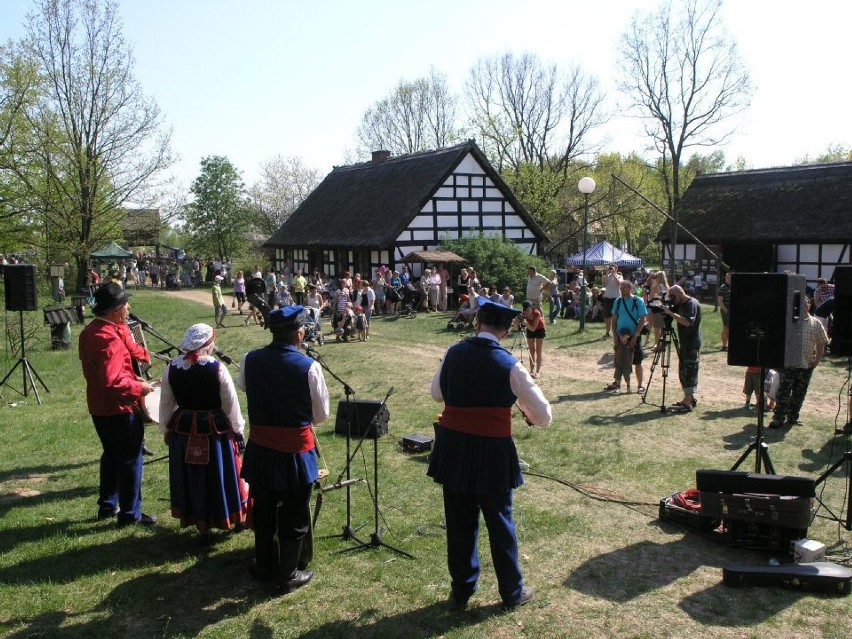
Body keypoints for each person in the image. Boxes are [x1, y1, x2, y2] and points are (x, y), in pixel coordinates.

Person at [428, 298, 551, 611]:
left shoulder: (453, 353)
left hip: (454, 446)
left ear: (478, 323)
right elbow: (543, 415)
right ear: (507, 331)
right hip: (491, 450)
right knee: (500, 521)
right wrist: (525, 411)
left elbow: (436, 394)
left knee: (458, 523)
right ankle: (511, 592)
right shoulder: (510, 364)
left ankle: (461, 592)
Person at [236, 306, 330, 590]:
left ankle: (264, 564)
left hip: (262, 448)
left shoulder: (248, 360)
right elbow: (320, 415)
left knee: (263, 506)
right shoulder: (309, 367)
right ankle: (288, 573)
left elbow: (245, 387)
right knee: (294, 510)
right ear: (299, 334)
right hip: (295, 452)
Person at [78, 283, 157, 527]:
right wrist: (140, 387)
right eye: (125, 304)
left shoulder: (96, 330)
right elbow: (113, 381)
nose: (129, 307)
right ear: (114, 310)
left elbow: (128, 350)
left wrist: (142, 356)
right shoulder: (107, 339)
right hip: (118, 409)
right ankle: (129, 514)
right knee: (131, 460)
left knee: (112, 455)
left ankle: (108, 506)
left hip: (99, 407)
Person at [159, 323, 246, 542]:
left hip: (184, 429)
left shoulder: (172, 368)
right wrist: (238, 430)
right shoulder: (217, 368)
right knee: (222, 472)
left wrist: (166, 428)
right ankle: (235, 517)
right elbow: (230, 404)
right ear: (208, 344)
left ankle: (202, 525)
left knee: (194, 477)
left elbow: (166, 403)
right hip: (214, 430)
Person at [769, 296, 828, 429]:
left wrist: (817, 360)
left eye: (806, 304)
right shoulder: (790, 322)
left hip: (806, 365)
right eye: (801, 305)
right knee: (783, 392)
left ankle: (793, 417)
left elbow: (821, 343)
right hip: (789, 365)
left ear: (810, 305)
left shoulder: (816, 323)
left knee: (799, 393)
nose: (804, 306)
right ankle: (778, 418)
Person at [662, 284, 702, 413]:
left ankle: (688, 402)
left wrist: (670, 313)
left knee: (689, 371)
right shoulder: (680, 303)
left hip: (692, 343)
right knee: (683, 370)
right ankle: (688, 398)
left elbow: (687, 322)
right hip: (685, 342)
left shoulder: (692, 304)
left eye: (673, 297)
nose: (672, 300)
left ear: (679, 294)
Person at [606, 281, 648, 394]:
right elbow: (614, 319)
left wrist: (636, 334)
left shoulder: (637, 301)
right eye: (620, 288)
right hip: (620, 336)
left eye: (622, 288)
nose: (620, 290)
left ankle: (640, 385)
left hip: (634, 335)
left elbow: (643, 319)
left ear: (629, 288)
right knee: (619, 361)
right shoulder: (618, 301)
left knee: (637, 361)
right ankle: (617, 384)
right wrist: (615, 336)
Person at [521, 300, 546, 379]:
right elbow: (515, 326)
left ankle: (537, 372)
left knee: (538, 350)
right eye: (525, 310)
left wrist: (525, 323)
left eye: (528, 310)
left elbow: (533, 329)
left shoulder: (537, 313)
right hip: (530, 328)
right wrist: (517, 321)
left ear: (531, 308)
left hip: (539, 329)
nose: (526, 312)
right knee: (531, 350)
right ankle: (531, 370)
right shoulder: (523, 314)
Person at [602, 265, 623, 338]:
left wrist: (614, 275)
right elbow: (604, 282)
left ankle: (617, 332)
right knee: (607, 317)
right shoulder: (607, 276)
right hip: (607, 298)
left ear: (617, 269)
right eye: (611, 268)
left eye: (614, 268)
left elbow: (619, 284)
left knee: (616, 316)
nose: (612, 269)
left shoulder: (619, 276)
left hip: (616, 299)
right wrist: (607, 272)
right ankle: (607, 332)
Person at [612, 327, 634, 394]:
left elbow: (632, 354)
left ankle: (628, 387)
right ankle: (618, 387)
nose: (621, 336)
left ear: (627, 336)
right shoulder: (618, 344)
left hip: (627, 364)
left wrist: (631, 362)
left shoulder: (630, 344)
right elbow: (615, 352)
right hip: (618, 363)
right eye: (620, 335)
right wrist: (614, 361)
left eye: (623, 335)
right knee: (617, 376)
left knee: (627, 376)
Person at [717, 271, 732, 351]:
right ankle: (724, 345)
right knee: (726, 328)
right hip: (726, 310)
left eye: (730, 278)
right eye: (727, 278)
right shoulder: (722, 288)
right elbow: (720, 300)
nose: (729, 279)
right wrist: (726, 310)